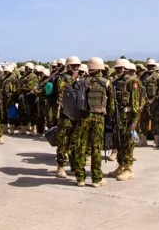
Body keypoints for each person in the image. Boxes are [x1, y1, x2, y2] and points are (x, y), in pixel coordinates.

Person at [73, 57, 113, 187]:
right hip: (99, 118)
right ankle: (96, 179)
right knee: (96, 148)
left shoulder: (81, 81)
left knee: (81, 147)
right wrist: (108, 116)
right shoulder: (106, 83)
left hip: (83, 117)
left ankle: (80, 178)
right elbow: (111, 105)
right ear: (101, 68)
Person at [108, 59, 143, 181]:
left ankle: (128, 169)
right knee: (118, 142)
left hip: (128, 119)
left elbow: (137, 104)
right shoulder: (116, 81)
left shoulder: (133, 82)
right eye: (117, 68)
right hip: (118, 118)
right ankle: (121, 166)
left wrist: (134, 122)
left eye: (121, 68)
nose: (119, 70)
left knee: (128, 144)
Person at [53, 56, 83, 178]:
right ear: (68, 66)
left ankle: (74, 166)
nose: (76, 68)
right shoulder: (62, 77)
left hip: (76, 113)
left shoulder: (82, 78)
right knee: (63, 141)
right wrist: (73, 79)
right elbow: (62, 89)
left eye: (77, 65)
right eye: (73, 65)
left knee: (75, 141)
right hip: (65, 114)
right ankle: (61, 166)